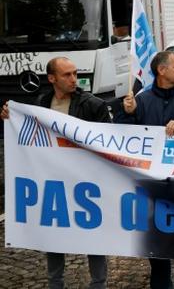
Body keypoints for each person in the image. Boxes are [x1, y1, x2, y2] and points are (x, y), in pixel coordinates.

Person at [1, 57, 110, 289]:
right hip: (54, 183)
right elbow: (27, 132)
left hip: (85, 183)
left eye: (75, 73)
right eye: (67, 75)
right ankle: (55, 284)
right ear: (52, 79)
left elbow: (108, 144)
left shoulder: (93, 104)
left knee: (94, 236)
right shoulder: (41, 102)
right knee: (54, 234)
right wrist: (10, 118)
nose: (74, 79)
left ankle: (99, 284)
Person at [115, 50, 174, 289]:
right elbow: (122, 138)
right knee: (158, 246)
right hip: (153, 187)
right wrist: (127, 114)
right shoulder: (142, 101)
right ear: (161, 70)